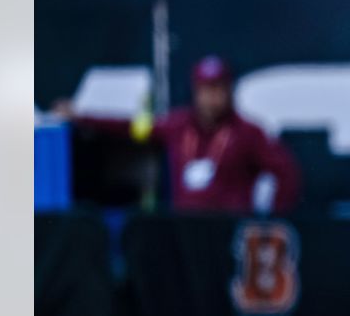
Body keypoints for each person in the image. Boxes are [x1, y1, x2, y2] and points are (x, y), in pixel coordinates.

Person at [59, 56, 301, 214]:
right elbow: (130, 127)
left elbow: (287, 171)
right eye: (206, 90)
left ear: (229, 91)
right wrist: (81, 116)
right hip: (185, 233)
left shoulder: (248, 132)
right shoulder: (177, 125)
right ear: (195, 92)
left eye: (218, 90)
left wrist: (272, 220)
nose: (212, 98)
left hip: (229, 231)